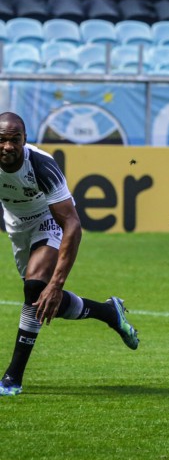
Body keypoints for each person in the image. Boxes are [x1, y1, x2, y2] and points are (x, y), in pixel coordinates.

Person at [0, 112, 139, 397]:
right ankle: (108, 312)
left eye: (15, 140)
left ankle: (12, 377)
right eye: (2, 140)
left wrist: (57, 283)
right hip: (17, 228)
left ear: (25, 140)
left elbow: (72, 224)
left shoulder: (41, 165)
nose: (8, 146)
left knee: (36, 287)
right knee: (40, 300)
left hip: (48, 220)